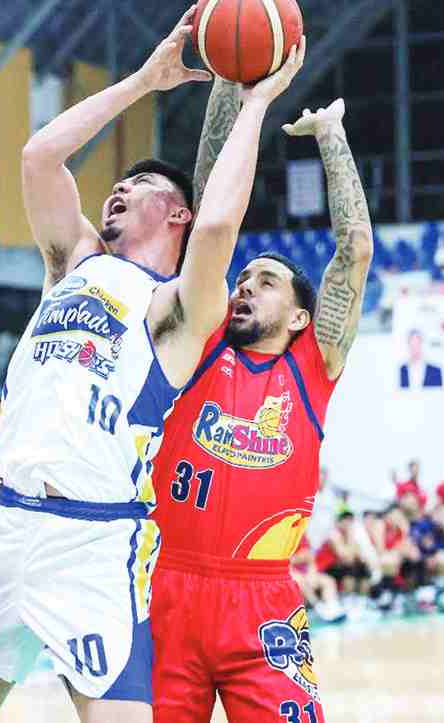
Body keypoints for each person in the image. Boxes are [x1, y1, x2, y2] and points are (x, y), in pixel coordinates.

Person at [0, 6, 304, 721]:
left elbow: (220, 226)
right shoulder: (73, 261)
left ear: (175, 216)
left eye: (139, 185)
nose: (118, 187)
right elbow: (39, 158)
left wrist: (258, 102)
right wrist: (144, 81)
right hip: (1, 523)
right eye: (118, 184)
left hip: (91, 542)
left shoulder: (175, 309)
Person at [148, 94, 371, 721]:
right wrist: (232, 89)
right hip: (168, 587)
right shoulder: (200, 339)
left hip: (264, 600)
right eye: (243, 278)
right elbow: (210, 212)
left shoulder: (311, 366)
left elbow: (353, 248)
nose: (245, 285)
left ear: (302, 316)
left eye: (265, 282)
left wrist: (330, 135)